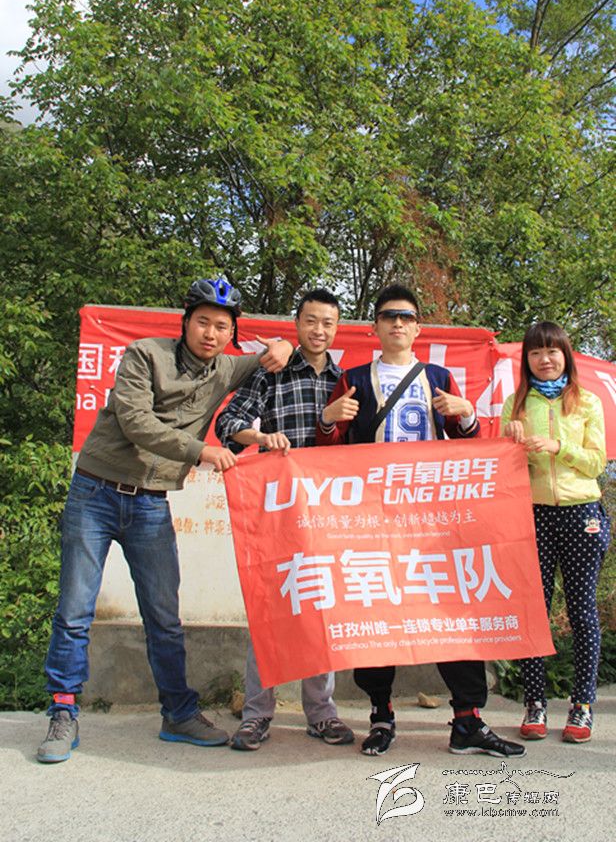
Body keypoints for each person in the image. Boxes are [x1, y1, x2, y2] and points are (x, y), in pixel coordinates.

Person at [37, 277, 294, 763]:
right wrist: (202, 451)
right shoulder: (144, 355)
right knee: (75, 611)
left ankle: (178, 713)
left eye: (222, 326)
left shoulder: (227, 366)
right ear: (186, 322)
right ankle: (63, 712)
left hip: (150, 503)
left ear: (232, 333)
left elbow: (276, 351)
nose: (211, 333)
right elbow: (136, 422)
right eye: (203, 322)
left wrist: (284, 344)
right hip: (95, 493)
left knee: (164, 617)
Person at [316, 284, 525, 759]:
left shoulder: (438, 376)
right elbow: (328, 454)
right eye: (389, 316)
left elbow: (467, 445)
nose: (397, 323)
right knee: (376, 614)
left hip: (431, 519)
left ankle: (468, 719)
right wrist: (328, 420)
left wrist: (466, 415)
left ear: (417, 328)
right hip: (372, 518)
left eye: (406, 317)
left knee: (452, 612)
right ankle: (381, 715)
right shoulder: (354, 378)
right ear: (374, 327)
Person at [216, 289, 354, 751]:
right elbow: (228, 423)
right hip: (277, 509)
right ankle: (257, 715)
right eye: (311, 321)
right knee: (270, 611)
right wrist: (262, 438)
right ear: (296, 324)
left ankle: (321, 713)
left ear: (337, 328)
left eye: (328, 323)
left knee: (321, 610)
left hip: (328, 514)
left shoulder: (345, 381)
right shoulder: (273, 371)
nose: (319, 330)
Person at [501, 321, 609, 744]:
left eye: (552, 351)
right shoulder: (515, 403)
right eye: (535, 352)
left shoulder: (587, 401)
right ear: (526, 360)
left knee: (582, 612)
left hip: (583, 514)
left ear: (566, 355)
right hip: (534, 515)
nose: (545, 359)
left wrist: (557, 447)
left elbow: (597, 461)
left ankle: (582, 706)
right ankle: (535, 702)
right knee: (534, 612)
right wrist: (512, 445)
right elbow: (505, 468)